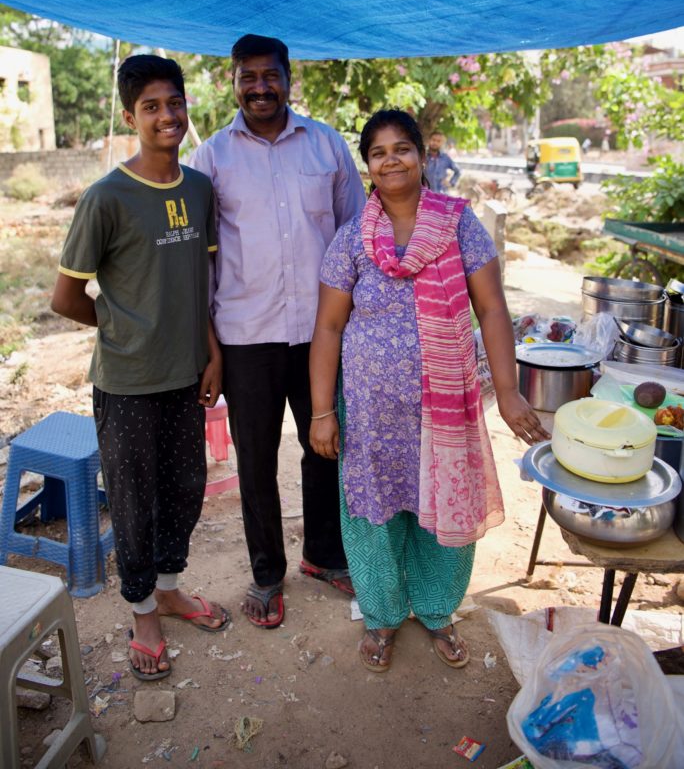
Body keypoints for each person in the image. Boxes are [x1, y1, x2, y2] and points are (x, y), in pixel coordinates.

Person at [309, 109, 548, 672]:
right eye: (378, 152)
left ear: (423, 155)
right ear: (367, 165)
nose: (391, 160)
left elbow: (491, 310)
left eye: (402, 148)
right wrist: (322, 411)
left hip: (445, 410)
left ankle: (438, 612)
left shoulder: (460, 225)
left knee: (445, 512)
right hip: (370, 411)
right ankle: (382, 616)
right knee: (374, 517)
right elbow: (328, 326)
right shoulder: (352, 240)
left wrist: (510, 392)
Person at [51, 55, 228, 683]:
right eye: (150, 106)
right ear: (131, 117)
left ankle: (171, 588)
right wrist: (126, 327)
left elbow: (200, 279)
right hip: (126, 382)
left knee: (186, 488)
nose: (166, 116)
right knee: (133, 502)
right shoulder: (107, 198)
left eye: (174, 103)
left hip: (188, 375)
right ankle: (143, 610)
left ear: (187, 109)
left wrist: (211, 349)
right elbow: (65, 297)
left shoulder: (200, 189)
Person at [190, 33, 366, 629]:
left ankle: (323, 554)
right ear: (233, 82)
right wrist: (209, 347)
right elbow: (201, 257)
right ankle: (268, 575)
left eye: (271, 75)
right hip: (246, 334)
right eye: (249, 77)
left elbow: (355, 237)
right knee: (256, 460)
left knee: (325, 446)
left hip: (321, 332)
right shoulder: (212, 157)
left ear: (290, 80)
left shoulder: (327, 146)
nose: (260, 87)